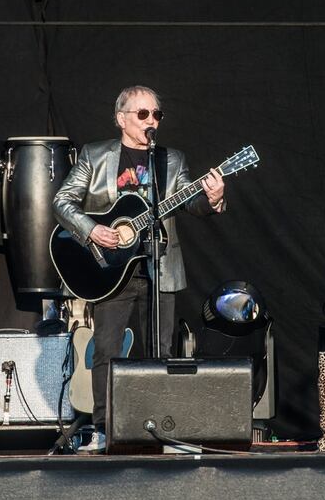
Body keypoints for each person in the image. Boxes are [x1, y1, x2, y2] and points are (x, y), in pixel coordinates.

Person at [53, 85, 226, 453]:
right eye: (143, 114)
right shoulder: (95, 155)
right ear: (122, 118)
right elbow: (62, 201)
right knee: (106, 350)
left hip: (159, 265)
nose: (152, 121)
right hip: (109, 269)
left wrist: (212, 198)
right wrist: (93, 230)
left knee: (161, 351)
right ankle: (102, 428)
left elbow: (189, 201)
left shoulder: (171, 159)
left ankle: (160, 428)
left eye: (157, 114)